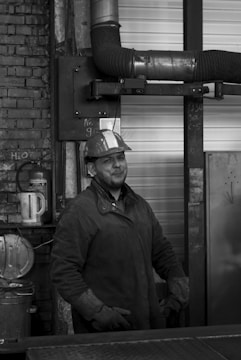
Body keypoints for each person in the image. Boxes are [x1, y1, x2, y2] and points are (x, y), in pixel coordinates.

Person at [50, 129, 189, 333]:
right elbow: (63, 270)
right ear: (91, 168)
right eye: (107, 160)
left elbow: (161, 251)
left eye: (120, 157)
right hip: (105, 331)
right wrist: (97, 312)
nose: (117, 165)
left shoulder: (140, 206)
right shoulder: (80, 212)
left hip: (147, 324)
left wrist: (179, 286)